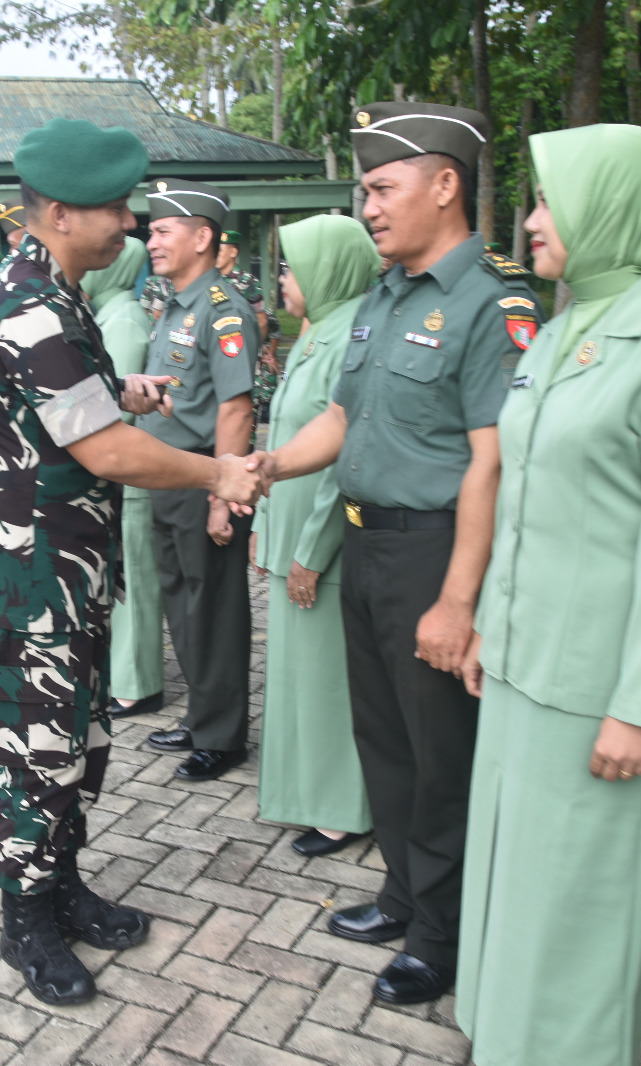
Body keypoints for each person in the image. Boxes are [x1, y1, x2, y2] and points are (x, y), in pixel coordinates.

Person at [0, 117, 263, 1007]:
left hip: (62, 568)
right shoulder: (32, 304)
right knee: (38, 752)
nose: (129, 223)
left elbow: (53, 399)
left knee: (81, 741)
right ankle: (25, 920)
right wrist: (219, 471)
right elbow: (109, 452)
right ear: (62, 213)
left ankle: (64, 883)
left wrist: (120, 389)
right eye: (116, 208)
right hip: (29, 576)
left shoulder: (50, 290)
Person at [452, 124, 641, 1065]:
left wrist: (638, 706)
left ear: (611, 207)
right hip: (523, 662)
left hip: (599, 685)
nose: (533, 221)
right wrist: (487, 624)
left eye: (551, 201)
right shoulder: (560, 328)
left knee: (582, 901)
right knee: (516, 877)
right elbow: (523, 496)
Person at [244, 102, 542, 1005]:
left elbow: (493, 460)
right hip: (367, 547)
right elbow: (343, 416)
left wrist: (458, 601)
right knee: (384, 742)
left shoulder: (493, 299)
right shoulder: (384, 295)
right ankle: (405, 896)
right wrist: (269, 464)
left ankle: (441, 939)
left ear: (445, 184)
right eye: (365, 193)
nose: (368, 208)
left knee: (440, 755)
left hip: (432, 555)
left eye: (382, 188)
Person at [251, 214, 377, 857]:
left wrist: (312, 550)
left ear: (329, 270)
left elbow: (344, 460)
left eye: (293, 267)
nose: (283, 280)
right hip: (289, 531)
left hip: (321, 545)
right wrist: (264, 526)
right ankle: (305, 791)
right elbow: (283, 437)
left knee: (328, 682)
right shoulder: (316, 331)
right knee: (299, 678)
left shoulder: (354, 335)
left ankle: (340, 807)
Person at [138, 178, 261, 782]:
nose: (151, 241)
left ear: (202, 236)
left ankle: (223, 736)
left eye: (162, 231)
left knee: (213, 608)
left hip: (203, 478)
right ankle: (201, 714)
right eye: (151, 231)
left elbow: (236, 409)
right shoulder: (175, 306)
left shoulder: (223, 310)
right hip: (168, 477)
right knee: (183, 607)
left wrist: (220, 494)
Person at [78, 238, 163, 719]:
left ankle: (138, 684)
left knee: (135, 586)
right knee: (121, 585)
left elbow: (118, 409)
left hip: (128, 475)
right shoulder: (107, 315)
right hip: (114, 474)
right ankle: (124, 674)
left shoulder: (125, 320)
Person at [218, 230, 284, 439]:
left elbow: (262, 321)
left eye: (220, 249)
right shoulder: (210, 280)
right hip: (218, 355)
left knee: (244, 410)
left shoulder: (247, 282)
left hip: (242, 355)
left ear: (233, 252)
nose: (215, 254)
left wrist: (253, 350)